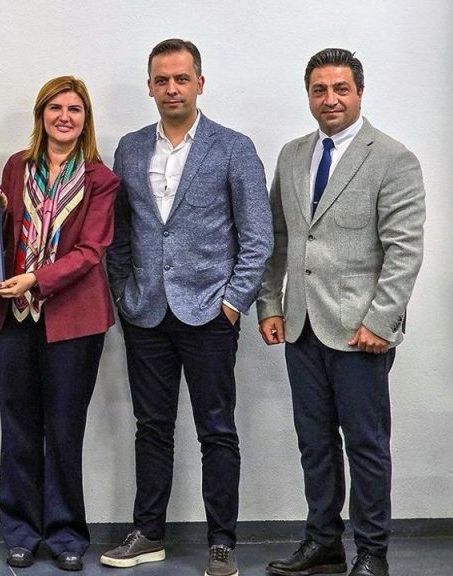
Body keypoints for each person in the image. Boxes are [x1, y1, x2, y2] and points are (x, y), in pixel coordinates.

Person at [103, 38, 273, 576]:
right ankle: (148, 533)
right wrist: (124, 292)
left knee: (216, 430)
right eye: (162, 80)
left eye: (181, 79)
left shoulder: (233, 147)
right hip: (146, 313)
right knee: (151, 427)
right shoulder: (130, 148)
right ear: (150, 86)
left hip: (209, 313)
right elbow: (120, 232)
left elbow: (257, 238)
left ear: (200, 82)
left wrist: (233, 302)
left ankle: (221, 542)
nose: (171, 88)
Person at [257, 48, 425, 576]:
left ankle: (372, 552)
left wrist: (380, 321)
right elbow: (278, 236)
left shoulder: (392, 157)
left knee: (366, 446)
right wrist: (270, 303)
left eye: (340, 89)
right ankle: (323, 543)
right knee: (314, 443)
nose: (330, 99)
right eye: (319, 90)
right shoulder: (292, 155)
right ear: (309, 95)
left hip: (360, 331)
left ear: (359, 92)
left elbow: (404, 250)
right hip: (301, 326)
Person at [0, 75, 118, 572]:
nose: (64, 116)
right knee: (18, 425)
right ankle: (20, 531)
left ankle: (65, 534)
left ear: (85, 119)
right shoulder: (17, 166)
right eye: (55, 107)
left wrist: (35, 279)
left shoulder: (101, 179)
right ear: (41, 115)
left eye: (74, 109)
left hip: (73, 319)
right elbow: (3, 233)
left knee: (64, 428)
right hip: (14, 316)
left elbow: (91, 251)